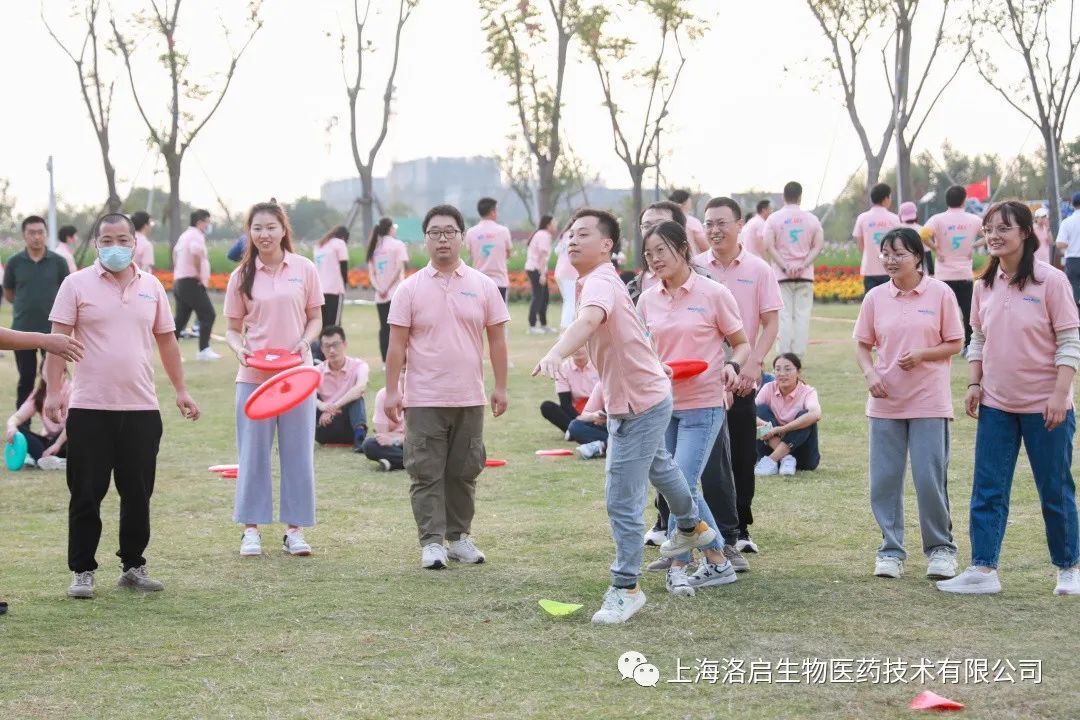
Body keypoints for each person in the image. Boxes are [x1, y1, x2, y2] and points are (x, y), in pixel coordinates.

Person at [533, 207, 721, 624]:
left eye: (583, 234)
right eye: (570, 234)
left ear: (606, 245)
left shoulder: (600, 282)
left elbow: (589, 320)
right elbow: (635, 332)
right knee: (662, 468)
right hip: (645, 396)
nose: (572, 239)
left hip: (638, 404)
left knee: (622, 499)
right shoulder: (601, 281)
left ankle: (626, 588)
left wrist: (556, 352)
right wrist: (653, 366)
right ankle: (694, 527)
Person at [44, 212, 200, 599]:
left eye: (122, 240)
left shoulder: (152, 287)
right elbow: (56, 343)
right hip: (90, 408)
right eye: (107, 240)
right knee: (86, 493)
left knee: (138, 494)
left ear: (135, 243)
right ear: (97, 243)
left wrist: (181, 389)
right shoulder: (75, 284)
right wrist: (52, 391)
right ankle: (82, 571)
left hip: (142, 408)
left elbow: (167, 341)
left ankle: (133, 566)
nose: (115, 247)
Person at [938, 201, 1080, 596]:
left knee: (1055, 490)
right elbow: (978, 338)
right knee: (988, 489)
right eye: (988, 229)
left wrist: (1059, 395)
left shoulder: (1052, 281)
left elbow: (1069, 342)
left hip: (1046, 407)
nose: (994, 236)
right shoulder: (983, 284)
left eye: (1003, 228)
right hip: (997, 405)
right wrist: (974, 384)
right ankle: (983, 570)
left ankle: (1069, 568)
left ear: (1026, 233)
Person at [385, 204, 510, 570]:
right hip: (424, 397)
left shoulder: (483, 285)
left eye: (450, 232)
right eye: (435, 232)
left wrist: (501, 387)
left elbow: (497, 341)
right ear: (425, 239)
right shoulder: (409, 289)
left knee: (464, 471)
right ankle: (432, 542)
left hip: (469, 396)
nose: (443, 239)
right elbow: (396, 346)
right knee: (425, 471)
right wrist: (392, 390)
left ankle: (458, 538)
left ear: (462, 237)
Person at [638, 220, 751, 595]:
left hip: (704, 405)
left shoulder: (714, 293)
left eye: (661, 250)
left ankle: (678, 566)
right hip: (663, 405)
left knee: (681, 485)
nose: (655, 259)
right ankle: (717, 560)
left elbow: (741, 343)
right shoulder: (647, 299)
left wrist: (733, 366)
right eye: (649, 254)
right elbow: (642, 350)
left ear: (683, 249)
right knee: (678, 487)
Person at [853, 227, 963, 581]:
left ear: (918, 256)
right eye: (885, 253)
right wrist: (870, 374)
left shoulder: (941, 293)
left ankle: (941, 549)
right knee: (884, 481)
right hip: (885, 401)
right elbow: (862, 345)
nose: (890, 260)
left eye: (899, 253)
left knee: (929, 478)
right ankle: (890, 550)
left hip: (929, 400)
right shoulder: (875, 297)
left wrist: (922, 355)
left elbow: (955, 342)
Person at [224, 201, 323, 559]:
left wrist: (305, 342)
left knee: (298, 454)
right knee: (252, 455)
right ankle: (250, 530)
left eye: (270, 227)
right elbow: (232, 328)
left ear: (283, 230)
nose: (264, 234)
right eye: (257, 228)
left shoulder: (304, 268)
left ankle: (295, 530)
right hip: (254, 379)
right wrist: (239, 350)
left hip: (297, 377)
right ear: (249, 233)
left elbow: (315, 318)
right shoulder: (241, 276)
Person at [695, 196, 784, 558]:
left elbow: (771, 321)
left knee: (742, 453)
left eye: (721, 223)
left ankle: (741, 527)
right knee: (704, 457)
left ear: (739, 225)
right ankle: (703, 528)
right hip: (702, 377)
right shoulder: (694, 267)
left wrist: (754, 363)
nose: (714, 230)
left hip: (743, 375)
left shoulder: (759, 269)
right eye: (709, 224)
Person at [4, 216, 70, 412]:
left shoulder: (59, 262)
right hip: (22, 331)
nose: (36, 237)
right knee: (26, 378)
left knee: (55, 379)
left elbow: (67, 292)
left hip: (54, 332)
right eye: (32, 233)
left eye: (40, 232)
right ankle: (22, 425)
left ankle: (56, 423)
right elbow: (9, 294)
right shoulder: (14, 262)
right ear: (24, 235)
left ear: (46, 234)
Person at [763, 181, 825, 356]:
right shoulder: (812, 219)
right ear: (800, 197)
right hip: (804, 275)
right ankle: (797, 356)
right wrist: (803, 265)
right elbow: (818, 246)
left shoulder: (773, 219)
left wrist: (785, 266)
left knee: (783, 317)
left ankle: (783, 355)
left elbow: (768, 245)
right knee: (802, 317)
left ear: (784, 196)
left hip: (781, 276)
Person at [923, 185, 983, 350]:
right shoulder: (974, 219)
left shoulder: (937, 219)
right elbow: (990, 234)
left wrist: (936, 248)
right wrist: (974, 245)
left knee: (941, 311)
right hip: (964, 273)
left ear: (947, 200)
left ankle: (939, 342)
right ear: (964, 200)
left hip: (943, 275)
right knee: (967, 311)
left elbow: (923, 235)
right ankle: (969, 345)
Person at [754, 354, 822, 475]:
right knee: (760, 410)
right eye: (778, 369)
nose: (782, 373)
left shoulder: (808, 391)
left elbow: (816, 414)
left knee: (806, 416)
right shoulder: (768, 388)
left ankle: (772, 459)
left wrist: (781, 429)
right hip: (769, 448)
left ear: (798, 372)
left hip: (803, 458)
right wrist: (766, 426)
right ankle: (785, 458)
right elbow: (750, 414)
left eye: (787, 369)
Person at [173, 209, 220, 361]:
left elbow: (175, 254)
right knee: (208, 315)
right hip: (191, 281)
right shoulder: (196, 235)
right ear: (200, 222)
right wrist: (199, 274)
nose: (208, 225)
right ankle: (204, 350)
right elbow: (195, 253)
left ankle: (171, 353)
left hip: (180, 281)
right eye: (207, 222)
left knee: (180, 319)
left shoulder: (184, 235)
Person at [6, 360, 70, 469]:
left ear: (64, 372)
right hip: (49, 442)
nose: (51, 374)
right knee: (19, 430)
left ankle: (46, 458)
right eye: (47, 371)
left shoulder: (72, 390)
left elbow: (73, 423)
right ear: (42, 374)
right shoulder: (40, 393)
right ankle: (47, 459)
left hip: (66, 439)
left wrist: (58, 444)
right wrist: (11, 427)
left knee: (75, 431)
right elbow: (17, 417)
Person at [314, 325, 369, 451]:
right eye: (327, 346)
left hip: (349, 426)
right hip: (324, 426)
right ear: (322, 349)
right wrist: (321, 406)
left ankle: (359, 439)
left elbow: (360, 387)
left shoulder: (359, 366)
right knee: (310, 399)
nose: (332, 350)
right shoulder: (316, 371)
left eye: (336, 345)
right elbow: (304, 395)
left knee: (357, 397)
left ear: (345, 344)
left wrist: (333, 407)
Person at [367, 216, 409, 363]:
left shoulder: (374, 247)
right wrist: (388, 287)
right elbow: (398, 268)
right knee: (400, 327)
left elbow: (371, 274)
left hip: (380, 296)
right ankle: (402, 360)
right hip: (396, 293)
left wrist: (380, 288)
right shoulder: (398, 245)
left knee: (384, 329)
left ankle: (386, 361)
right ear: (390, 229)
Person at [539, 346, 601, 441]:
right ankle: (575, 430)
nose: (577, 349)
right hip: (575, 414)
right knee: (547, 406)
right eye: (575, 345)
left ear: (588, 346)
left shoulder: (599, 365)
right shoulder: (563, 369)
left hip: (598, 410)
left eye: (581, 346)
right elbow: (565, 404)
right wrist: (581, 419)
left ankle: (576, 432)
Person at [853, 182, 901, 294]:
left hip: (870, 269)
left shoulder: (862, 218)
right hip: (890, 268)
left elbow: (860, 244)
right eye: (890, 197)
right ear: (885, 199)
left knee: (871, 301)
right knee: (890, 301)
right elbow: (899, 244)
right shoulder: (894, 219)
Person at [465, 197, 514, 302]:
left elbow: (471, 253)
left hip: (479, 282)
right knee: (500, 312)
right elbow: (509, 253)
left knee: (480, 312)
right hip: (500, 281)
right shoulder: (503, 231)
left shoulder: (471, 232)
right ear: (492, 212)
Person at [362, 372, 406, 472]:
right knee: (369, 444)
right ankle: (414, 462)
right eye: (403, 371)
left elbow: (419, 438)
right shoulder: (384, 394)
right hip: (395, 446)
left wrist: (394, 439)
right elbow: (382, 435)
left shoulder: (423, 396)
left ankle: (395, 462)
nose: (406, 376)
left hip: (415, 445)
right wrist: (399, 438)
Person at [313, 225, 350, 332]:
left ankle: (321, 343)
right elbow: (344, 267)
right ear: (344, 237)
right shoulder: (340, 243)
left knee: (323, 324)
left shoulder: (319, 245)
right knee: (334, 325)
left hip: (319, 290)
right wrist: (345, 284)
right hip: (334, 290)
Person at [525, 214, 555, 334]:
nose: (555, 225)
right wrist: (542, 274)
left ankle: (543, 325)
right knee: (538, 297)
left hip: (537, 269)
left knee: (544, 297)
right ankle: (532, 326)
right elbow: (542, 256)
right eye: (553, 223)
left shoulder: (541, 234)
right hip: (536, 270)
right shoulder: (543, 235)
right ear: (548, 225)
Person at [898, 200, 934, 276]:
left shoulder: (896, 231)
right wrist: (931, 273)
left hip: (900, 271)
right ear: (916, 214)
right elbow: (927, 253)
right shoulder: (922, 230)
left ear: (900, 216)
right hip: (919, 272)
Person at [669, 189, 709, 254]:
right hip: (689, 258)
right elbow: (704, 247)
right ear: (685, 203)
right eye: (689, 201)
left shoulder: (665, 220)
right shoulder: (691, 221)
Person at [553, 227, 577, 329]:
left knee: (569, 301)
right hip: (569, 273)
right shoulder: (574, 235)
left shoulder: (565, 234)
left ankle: (567, 327)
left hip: (560, 271)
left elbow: (557, 251)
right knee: (570, 301)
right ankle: (565, 328)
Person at [1060, 192, 1080, 304]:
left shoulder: (1067, 222)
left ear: (1072, 204)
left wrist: (1071, 243)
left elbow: (1060, 244)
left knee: (1074, 292)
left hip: (1072, 261)